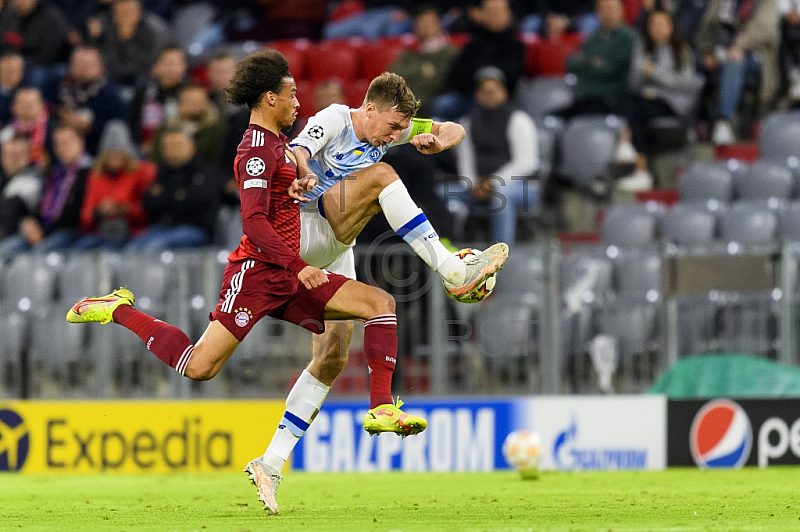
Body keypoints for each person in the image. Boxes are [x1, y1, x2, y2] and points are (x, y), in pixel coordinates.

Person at [66, 49, 426, 514]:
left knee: (380, 303)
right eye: (293, 93)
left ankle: (380, 408)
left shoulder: (280, 145)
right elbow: (255, 223)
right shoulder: (255, 151)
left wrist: (297, 188)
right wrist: (298, 266)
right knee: (199, 366)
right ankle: (117, 308)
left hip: (289, 274)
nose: (300, 100)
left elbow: (278, 203)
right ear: (270, 97)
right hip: (258, 275)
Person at [251, 71, 508, 513]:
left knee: (330, 357)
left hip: (337, 244)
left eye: (399, 130)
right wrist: (308, 171)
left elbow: (452, 127)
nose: (395, 134)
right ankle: (452, 269)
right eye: (391, 127)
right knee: (383, 174)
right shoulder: (334, 118)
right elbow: (296, 150)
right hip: (306, 227)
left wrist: (442, 139)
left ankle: (270, 462)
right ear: (368, 108)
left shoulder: (393, 124)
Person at [452, 66, 538, 245]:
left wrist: (492, 182)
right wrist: (473, 184)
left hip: (520, 186)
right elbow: (466, 160)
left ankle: (500, 259)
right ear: (477, 95)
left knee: (501, 195)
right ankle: (448, 256)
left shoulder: (518, 119)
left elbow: (527, 163)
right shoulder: (467, 121)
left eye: (494, 90)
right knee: (441, 194)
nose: (489, 94)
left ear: (504, 93)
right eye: (484, 90)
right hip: (477, 186)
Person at [615, 9, 698, 192]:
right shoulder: (643, 47)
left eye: (662, 24)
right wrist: (640, 71)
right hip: (646, 100)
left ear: (671, 27)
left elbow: (686, 85)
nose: (658, 28)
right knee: (625, 100)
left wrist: (656, 73)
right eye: (654, 24)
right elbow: (633, 83)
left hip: (672, 103)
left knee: (630, 108)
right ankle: (640, 166)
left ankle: (633, 155)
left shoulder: (681, 49)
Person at [695, 0, 779, 145]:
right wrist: (707, 51)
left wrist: (738, 46)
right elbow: (706, 25)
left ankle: (724, 122)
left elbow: (763, 31)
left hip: (755, 55)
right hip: (720, 51)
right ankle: (695, 125)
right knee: (694, 60)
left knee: (733, 63)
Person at [0, 125, 91, 257]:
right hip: (46, 231)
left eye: (66, 142)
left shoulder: (88, 172)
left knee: (36, 257)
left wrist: (42, 232)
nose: (61, 148)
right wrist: (31, 222)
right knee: (5, 251)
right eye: (57, 144)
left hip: (71, 232)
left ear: (81, 142)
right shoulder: (55, 173)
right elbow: (41, 208)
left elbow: (76, 214)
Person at [127, 127, 223, 251]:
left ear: (191, 146)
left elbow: (196, 203)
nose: (172, 150)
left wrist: (167, 197)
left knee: (153, 248)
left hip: (196, 229)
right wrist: (177, 197)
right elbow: (148, 203)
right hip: (165, 227)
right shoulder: (164, 173)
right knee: (131, 249)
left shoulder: (203, 173)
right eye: (168, 146)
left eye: (177, 145)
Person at [72, 120, 156, 250]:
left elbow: (149, 209)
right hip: (101, 232)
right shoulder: (97, 175)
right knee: (79, 251)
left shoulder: (142, 172)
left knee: (109, 251)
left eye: (119, 152)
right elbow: (85, 215)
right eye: (110, 153)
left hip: (132, 231)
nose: (115, 157)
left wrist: (124, 209)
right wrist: (99, 211)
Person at [555, 0, 637, 119]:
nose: (608, 13)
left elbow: (611, 69)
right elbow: (570, 64)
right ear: (597, 13)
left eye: (611, 8)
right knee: (552, 119)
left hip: (611, 100)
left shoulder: (630, 39)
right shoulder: (594, 37)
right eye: (604, 9)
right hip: (584, 98)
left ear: (621, 11)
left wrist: (587, 61)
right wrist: (594, 63)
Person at [42, 45, 127, 154]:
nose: (83, 68)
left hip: (94, 147)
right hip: (55, 141)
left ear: (100, 66)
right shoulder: (54, 84)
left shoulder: (110, 94)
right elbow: (43, 105)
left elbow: (116, 125)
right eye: (78, 63)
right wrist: (60, 113)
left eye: (88, 65)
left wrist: (88, 126)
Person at [389, 4, 460, 117]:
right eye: (421, 23)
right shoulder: (408, 53)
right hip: (407, 102)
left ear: (438, 24)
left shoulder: (450, 52)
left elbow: (441, 80)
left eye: (429, 23)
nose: (425, 27)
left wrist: (416, 75)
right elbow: (392, 77)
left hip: (435, 102)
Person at [149, 84, 228, 170]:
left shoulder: (218, 129)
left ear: (206, 102)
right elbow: (155, 159)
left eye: (197, 101)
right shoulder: (166, 128)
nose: (193, 105)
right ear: (179, 103)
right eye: (188, 101)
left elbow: (219, 162)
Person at [0, 136, 43, 255]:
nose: (13, 160)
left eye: (17, 155)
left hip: (21, 238)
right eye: (8, 155)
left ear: (27, 157)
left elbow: (12, 210)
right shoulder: (5, 180)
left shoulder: (33, 178)